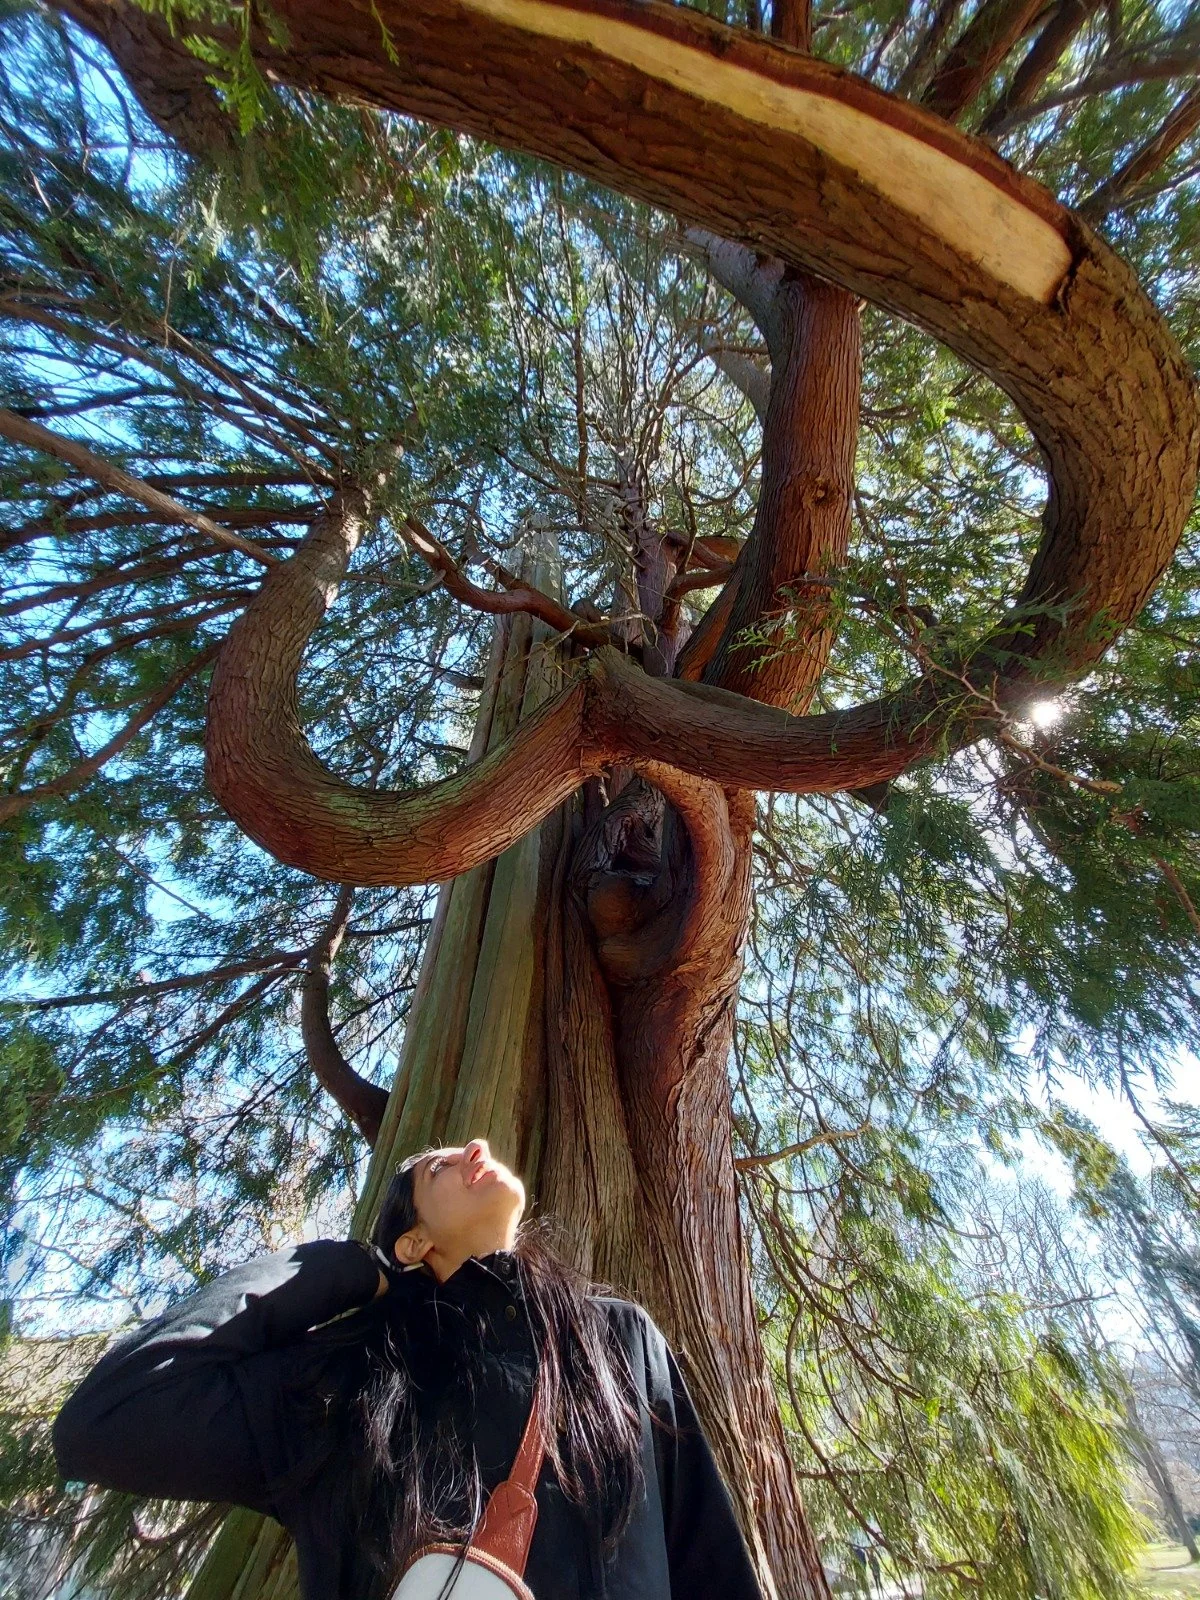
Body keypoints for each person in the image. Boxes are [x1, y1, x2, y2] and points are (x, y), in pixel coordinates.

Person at [53, 1138, 766, 1600]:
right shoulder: (344, 1384)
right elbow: (107, 1421)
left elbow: (709, 1566)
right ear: (412, 1240)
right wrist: (341, 1268)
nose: (474, 1148)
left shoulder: (619, 1338)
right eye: (437, 1165)